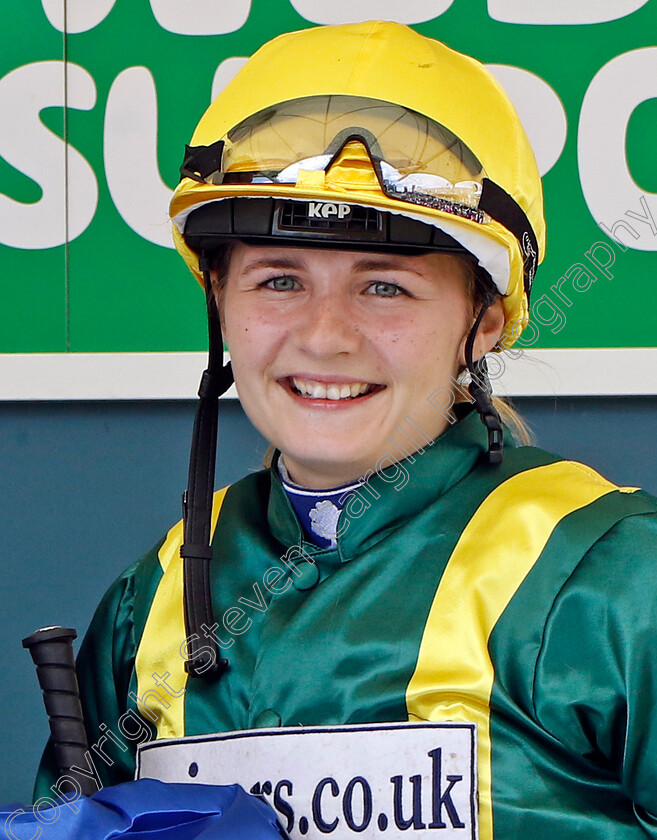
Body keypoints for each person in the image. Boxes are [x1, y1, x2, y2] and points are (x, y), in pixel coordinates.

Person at [34, 20, 657, 839]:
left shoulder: (614, 581)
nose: (325, 335)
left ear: (485, 322)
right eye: (279, 279)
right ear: (220, 302)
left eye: (385, 287)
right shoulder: (148, 601)